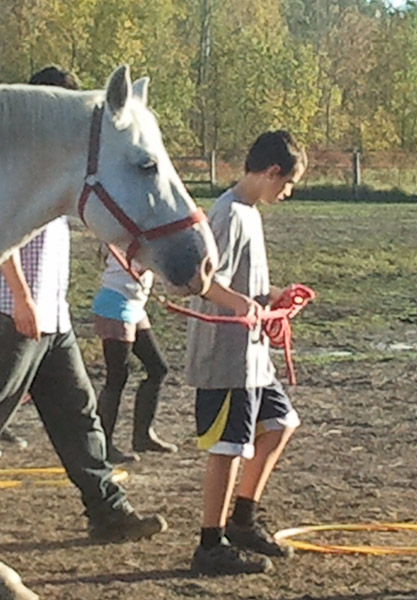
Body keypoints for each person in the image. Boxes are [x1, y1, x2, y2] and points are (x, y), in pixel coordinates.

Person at [0, 65, 166, 548]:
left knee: (78, 413)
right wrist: (21, 299)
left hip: (51, 313)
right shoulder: (12, 166)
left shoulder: (56, 163)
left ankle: (108, 510)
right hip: (13, 311)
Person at [185, 130, 307, 575]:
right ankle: (210, 544)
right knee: (229, 447)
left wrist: (275, 297)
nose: (287, 193)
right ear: (272, 172)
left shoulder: (249, 213)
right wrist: (243, 305)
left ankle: (242, 520)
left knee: (280, 424)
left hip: (254, 357)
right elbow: (202, 280)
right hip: (225, 356)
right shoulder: (229, 214)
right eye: (287, 183)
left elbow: (243, 282)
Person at [92, 249, 177, 463]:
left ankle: (143, 436)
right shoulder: (128, 239)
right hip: (116, 303)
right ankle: (103, 445)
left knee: (157, 368)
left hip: (134, 305)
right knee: (117, 377)